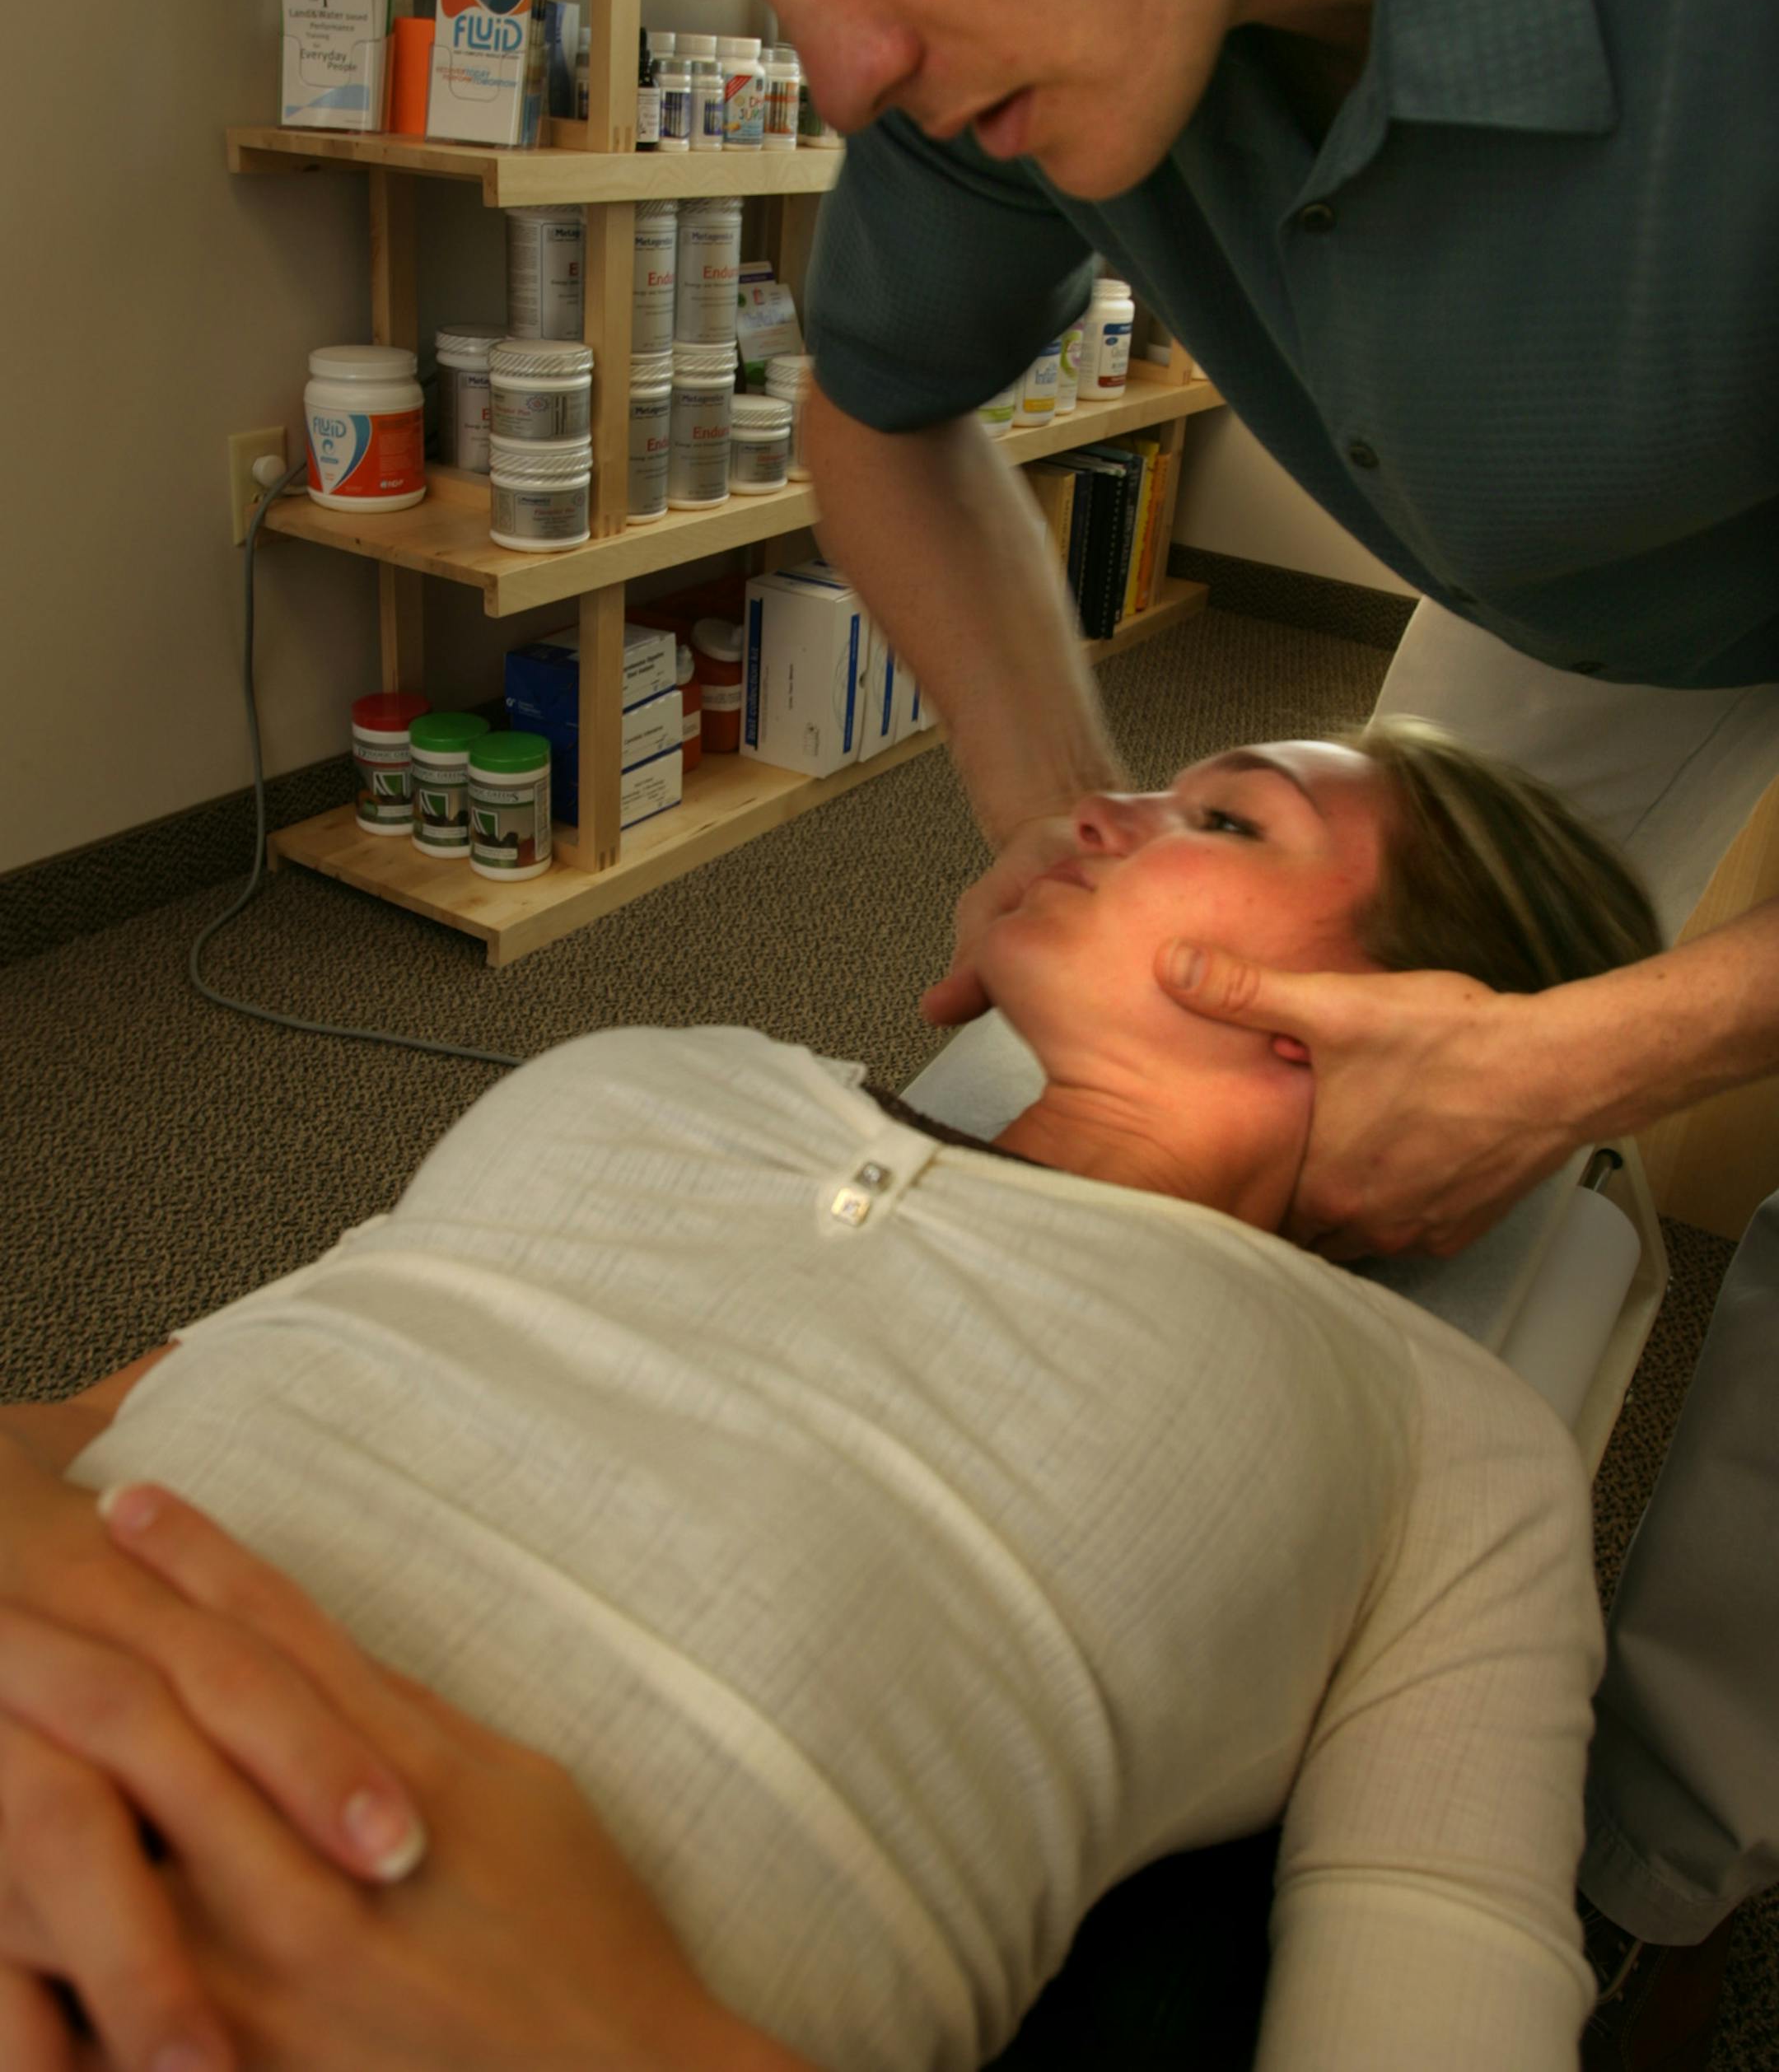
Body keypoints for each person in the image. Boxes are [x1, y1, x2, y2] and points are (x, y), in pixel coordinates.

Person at [342, 0, 1779, 2041]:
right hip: (1587, 507)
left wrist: (1602, 1053)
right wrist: (1061, 819)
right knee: (1464, 869)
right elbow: (882, 408)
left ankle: (1668, 1834)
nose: (843, 71)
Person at [0, 728, 1656, 2072]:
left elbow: (1443, 1976)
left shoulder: (1437, 1430)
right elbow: (101, 1412)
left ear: (1417, 1034)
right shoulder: (668, 1064)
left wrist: (635, 2043)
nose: (1095, 808)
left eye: (1226, 817)